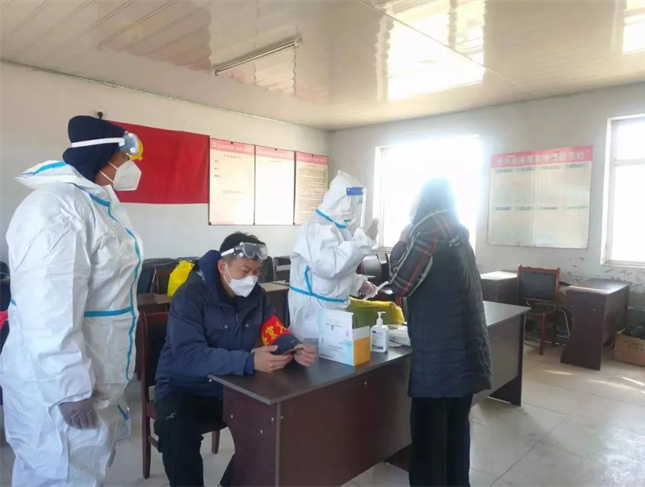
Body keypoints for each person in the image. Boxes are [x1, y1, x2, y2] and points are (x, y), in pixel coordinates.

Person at [0, 115, 145, 487]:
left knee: (82, 469)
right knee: (58, 471)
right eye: (124, 158)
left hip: (94, 367)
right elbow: (47, 311)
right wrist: (69, 388)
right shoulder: (55, 209)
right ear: (104, 157)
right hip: (61, 382)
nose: (129, 168)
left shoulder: (92, 202)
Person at [154, 233, 317, 487]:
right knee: (177, 436)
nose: (251, 278)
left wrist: (293, 346)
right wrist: (249, 362)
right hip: (183, 386)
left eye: (256, 272)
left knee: (273, 426)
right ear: (223, 267)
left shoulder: (257, 296)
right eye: (244, 271)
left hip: (230, 384)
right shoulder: (190, 296)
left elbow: (272, 328)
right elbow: (190, 356)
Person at [389, 179, 492, 487]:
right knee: (456, 432)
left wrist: (401, 243)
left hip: (439, 361)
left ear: (427, 200)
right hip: (467, 355)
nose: (412, 203)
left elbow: (400, 283)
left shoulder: (426, 234)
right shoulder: (458, 233)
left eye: (416, 196)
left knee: (429, 442)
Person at [289, 171, 379, 341]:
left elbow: (341, 269)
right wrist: (362, 241)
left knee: (336, 352)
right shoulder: (315, 228)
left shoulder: (337, 228)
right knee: (314, 355)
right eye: (356, 201)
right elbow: (329, 267)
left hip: (331, 312)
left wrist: (358, 283)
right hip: (313, 315)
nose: (358, 207)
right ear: (343, 199)